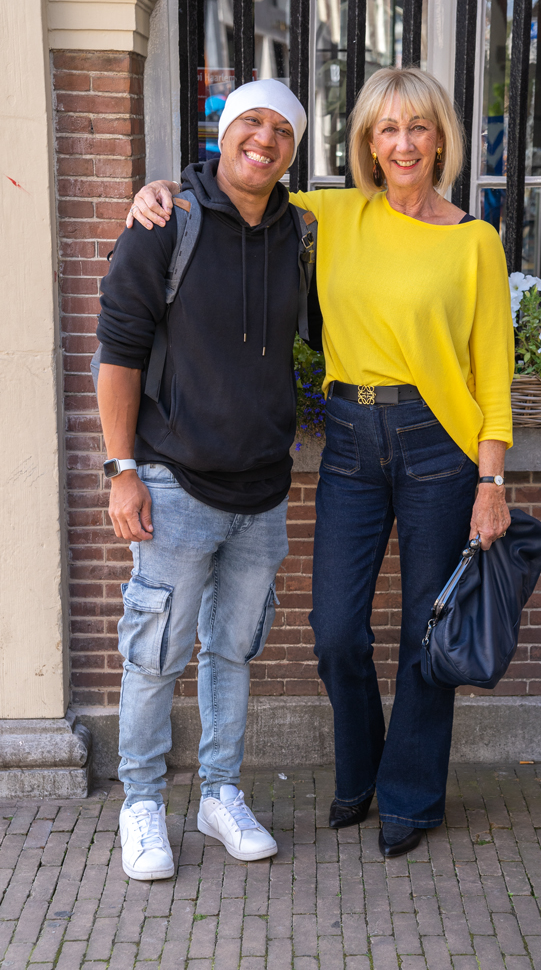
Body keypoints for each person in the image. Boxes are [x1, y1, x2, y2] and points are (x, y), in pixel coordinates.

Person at [130, 66, 513, 859]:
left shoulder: (475, 241)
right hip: (348, 437)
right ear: (367, 144)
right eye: (384, 129)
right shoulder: (329, 216)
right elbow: (237, 186)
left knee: (423, 629)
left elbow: (493, 373)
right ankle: (361, 766)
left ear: (439, 138)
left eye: (416, 128)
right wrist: (158, 188)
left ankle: (408, 792)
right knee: (335, 629)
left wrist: (491, 479)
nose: (401, 143)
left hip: (440, 444)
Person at [97, 78, 321, 880]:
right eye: (249, 123)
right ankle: (142, 802)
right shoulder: (168, 221)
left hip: (261, 492)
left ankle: (220, 792)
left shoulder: (301, 232)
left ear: (295, 149)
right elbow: (117, 351)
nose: (263, 140)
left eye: (281, 131)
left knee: (232, 650)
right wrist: (122, 469)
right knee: (154, 654)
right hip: (172, 482)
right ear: (222, 132)